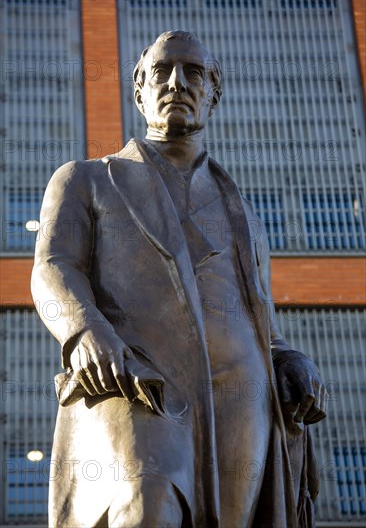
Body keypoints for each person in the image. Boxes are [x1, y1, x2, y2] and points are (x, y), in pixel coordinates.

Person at [32, 31, 328, 527]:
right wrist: (84, 330)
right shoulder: (85, 179)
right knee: (146, 502)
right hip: (134, 377)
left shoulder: (245, 215)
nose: (177, 83)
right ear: (139, 89)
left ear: (213, 93)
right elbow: (54, 266)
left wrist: (289, 358)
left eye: (194, 73)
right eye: (162, 71)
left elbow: (263, 323)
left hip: (242, 393)